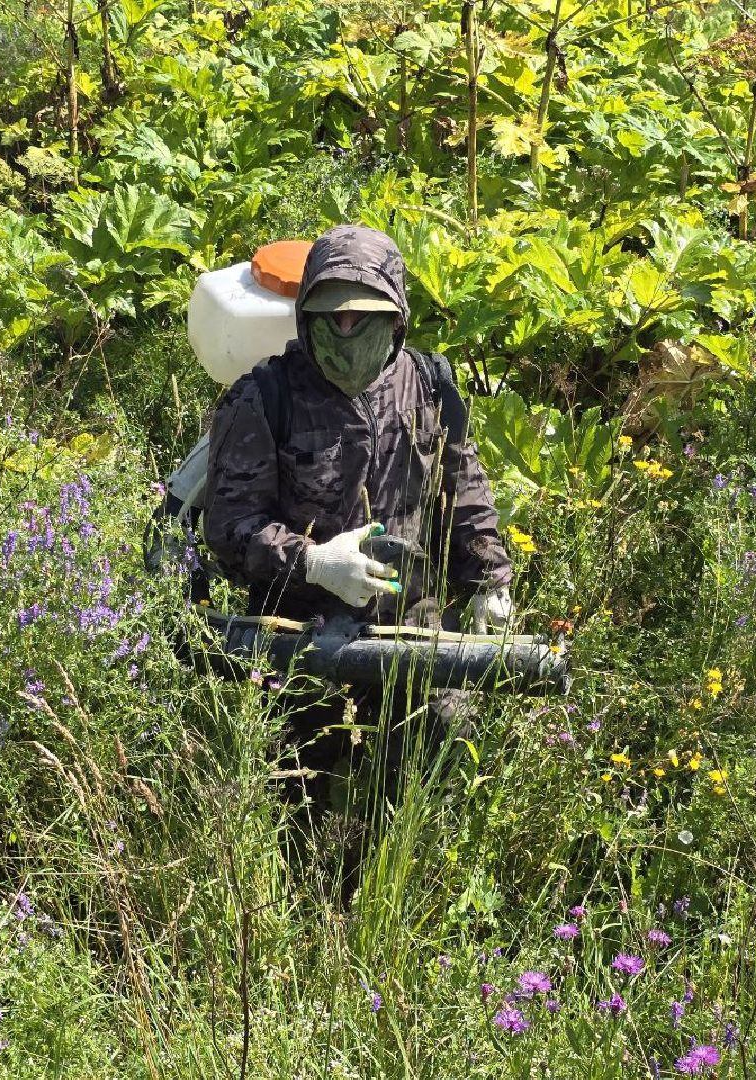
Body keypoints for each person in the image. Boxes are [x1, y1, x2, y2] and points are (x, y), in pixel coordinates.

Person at [203, 224, 515, 859]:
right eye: (330, 317)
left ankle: (394, 874)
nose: (345, 332)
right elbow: (229, 525)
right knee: (293, 800)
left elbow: (464, 485)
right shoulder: (264, 398)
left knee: (439, 761)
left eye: (361, 318)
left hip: (412, 624)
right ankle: (307, 893)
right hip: (298, 633)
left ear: (395, 318)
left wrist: (489, 579)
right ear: (305, 315)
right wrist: (313, 562)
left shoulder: (429, 385)